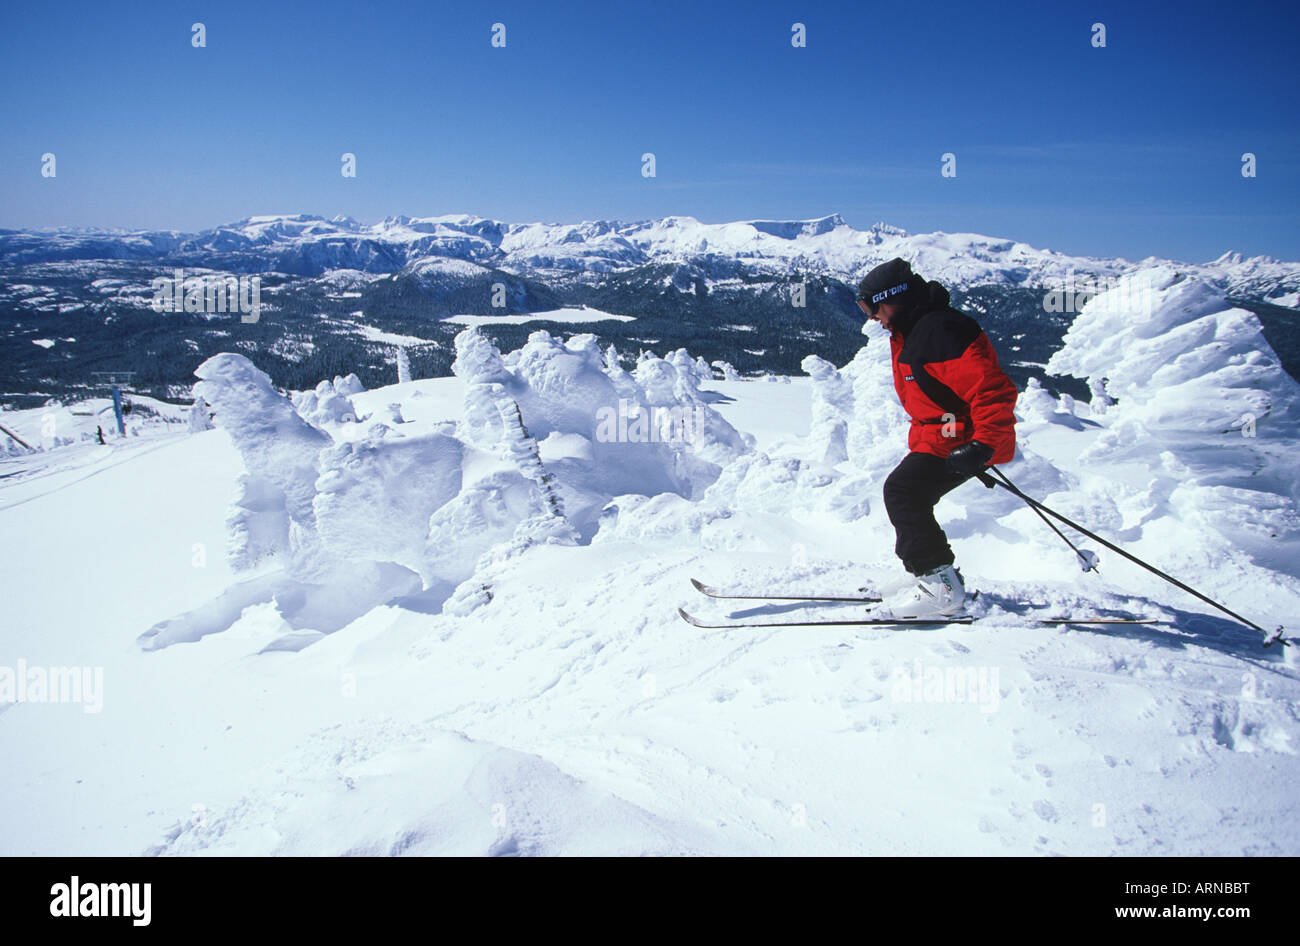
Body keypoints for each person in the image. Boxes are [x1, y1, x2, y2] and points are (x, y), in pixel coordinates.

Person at [856, 258, 1018, 618]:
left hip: (966, 438)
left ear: (892, 298)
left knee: (904, 491)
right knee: (909, 493)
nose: (871, 317)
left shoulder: (939, 330)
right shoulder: (913, 328)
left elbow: (992, 389)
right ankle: (925, 572)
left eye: (871, 307)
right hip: (944, 432)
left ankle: (942, 588)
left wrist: (983, 444)